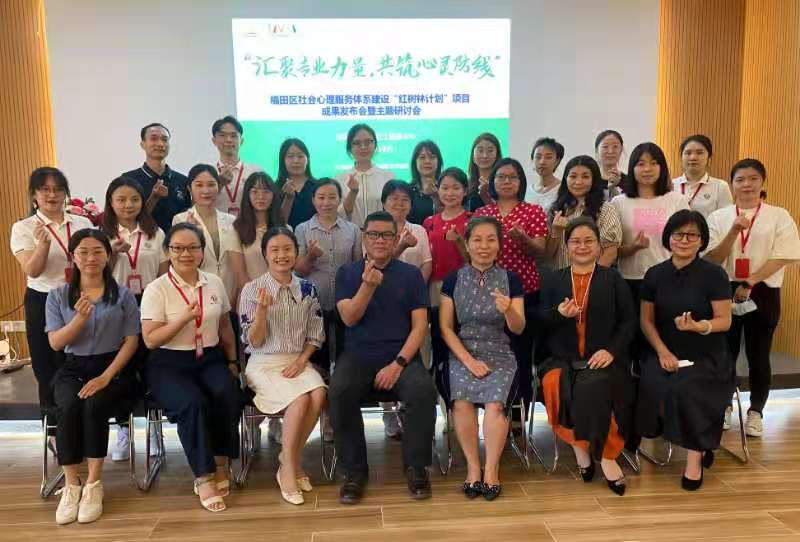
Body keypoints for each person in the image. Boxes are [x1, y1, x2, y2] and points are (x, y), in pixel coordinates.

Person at [329, 211, 436, 504]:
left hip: (401, 355)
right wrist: (368, 285)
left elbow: (420, 327)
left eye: (387, 235)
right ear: (364, 237)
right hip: (357, 355)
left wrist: (398, 364)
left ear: (395, 239)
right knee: (339, 391)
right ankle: (354, 472)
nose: (380, 240)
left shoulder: (410, 275)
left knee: (423, 391)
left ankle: (416, 468)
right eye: (373, 234)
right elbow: (349, 318)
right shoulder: (347, 273)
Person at [141, 223, 242, 513]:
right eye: (178, 248)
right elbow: (150, 340)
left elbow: (225, 325)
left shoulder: (214, 282)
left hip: (209, 357)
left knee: (227, 391)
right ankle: (203, 476)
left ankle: (221, 460)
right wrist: (183, 319)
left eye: (192, 248)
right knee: (192, 403)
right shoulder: (157, 289)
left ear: (202, 251)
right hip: (168, 362)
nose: (185, 254)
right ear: (168, 251)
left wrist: (233, 361)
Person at [45, 229, 140, 524]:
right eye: (83, 252)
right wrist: (80, 319)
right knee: (68, 405)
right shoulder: (58, 295)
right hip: (73, 367)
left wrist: (106, 377)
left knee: (94, 405)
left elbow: (132, 340)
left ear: (108, 256)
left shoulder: (123, 295)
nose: (90, 258)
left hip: (113, 367)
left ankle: (93, 484)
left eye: (98, 251)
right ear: (73, 257)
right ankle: (71, 484)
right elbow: (56, 343)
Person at [539, 217, 635, 496]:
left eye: (588, 241)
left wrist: (611, 351)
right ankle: (581, 450)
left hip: (602, 358)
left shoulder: (613, 278)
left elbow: (629, 322)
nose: (582, 246)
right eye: (575, 241)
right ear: (566, 246)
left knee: (591, 386)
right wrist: (558, 314)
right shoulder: (554, 279)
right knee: (554, 383)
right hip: (562, 358)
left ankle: (606, 457)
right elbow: (539, 320)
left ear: (599, 246)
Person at [639, 210, 734, 490]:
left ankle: (695, 458)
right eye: (678, 234)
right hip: (664, 351)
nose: (684, 240)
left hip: (707, 355)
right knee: (652, 383)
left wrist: (699, 326)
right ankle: (685, 442)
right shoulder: (654, 274)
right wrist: (662, 352)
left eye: (692, 235)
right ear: (668, 237)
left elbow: (725, 320)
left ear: (702, 240)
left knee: (689, 387)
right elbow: (646, 321)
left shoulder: (714, 274)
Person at [705, 159, 800, 436]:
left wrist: (751, 281)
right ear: (731, 184)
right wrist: (734, 230)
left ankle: (756, 411)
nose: (747, 184)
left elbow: (784, 254)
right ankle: (723, 405)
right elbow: (712, 258)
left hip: (764, 289)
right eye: (740, 179)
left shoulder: (778, 215)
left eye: (753, 178)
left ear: (762, 182)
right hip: (724, 288)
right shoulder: (719, 217)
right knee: (724, 353)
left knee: (759, 354)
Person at [439, 216, 525, 500]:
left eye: (491, 240)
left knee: (495, 404)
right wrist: (468, 361)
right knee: (461, 402)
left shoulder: (511, 279)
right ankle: (473, 469)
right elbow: (446, 328)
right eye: (477, 239)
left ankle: (491, 470)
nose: (484, 246)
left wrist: (508, 309)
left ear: (499, 245)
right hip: (463, 351)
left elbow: (518, 327)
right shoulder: (453, 279)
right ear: (467, 244)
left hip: (500, 351)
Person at [239, 228, 327, 505]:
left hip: (297, 360)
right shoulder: (252, 289)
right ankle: (289, 467)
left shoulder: (308, 288)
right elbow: (252, 340)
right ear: (265, 254)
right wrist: (262, 311)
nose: (281, 255)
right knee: (299, 399)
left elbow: (316, 334)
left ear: (296, 253)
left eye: (287, 249)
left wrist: (301, 361)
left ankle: (289, 457)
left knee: (318, 394)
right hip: (263, 363)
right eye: (274, 250)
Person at [11, 167, 94, 455]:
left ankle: (82, 428)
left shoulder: (82, 222)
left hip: (79, 298)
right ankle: (56, 434)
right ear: (34, 195)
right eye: (44, 189)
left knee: (81, 363)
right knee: (47, 368)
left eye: (58, 189)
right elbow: (32, 269)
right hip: (43, 300)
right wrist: (43, 246)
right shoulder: (24, 227)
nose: (52, 194)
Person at [474, 158, 548, 420]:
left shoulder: (533, 211)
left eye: (512, 177)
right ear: (493, 182)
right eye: (501, 177)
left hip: (524, 294)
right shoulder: (482, 213)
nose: (506, 182)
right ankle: (493, 414)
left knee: (520, 355)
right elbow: (472, 253)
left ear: (521, 182)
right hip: (487, 295)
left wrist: (522, 238)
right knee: (490, 354)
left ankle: (518, 417)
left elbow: (540, 252)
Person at [100, 176, 168, 461]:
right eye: (121, 199)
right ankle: (123, 429)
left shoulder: (155, 233)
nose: (128, 205)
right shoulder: (101, 234)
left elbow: (164, 273)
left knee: (152, 365)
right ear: (111, 202)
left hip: (151, 303)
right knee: (122, 369)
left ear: (142, 202)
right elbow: (94, 274)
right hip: (116, 305)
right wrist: (113, 255)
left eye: (134, 199)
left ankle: (154, 428)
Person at [294, 178, 361, 396]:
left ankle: (342, 404)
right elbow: (299, 271)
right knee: (318, 359)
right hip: (314, 304)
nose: (326, 202)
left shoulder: (352, 230)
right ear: (313, 200)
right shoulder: (302, 229)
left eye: (332, 197)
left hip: (346, 303)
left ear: (340, 199)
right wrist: (311, 256)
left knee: (345, 357)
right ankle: (322, 407)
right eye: (321, 197)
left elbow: (357, 267)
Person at [173, 164, 247, 306]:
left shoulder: (231, 220)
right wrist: (192, 234)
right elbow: (181, 264)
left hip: (229, 295)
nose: (206, 190)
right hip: (197, 297)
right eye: (199, 185)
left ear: (218, 187)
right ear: (189, 188)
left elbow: (237, 264)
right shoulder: (180, 220)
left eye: (211, 184)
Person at [423, 167, 471, 375]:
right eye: (445, 188)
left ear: (465, 191)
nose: (450, 193)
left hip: (464, 286)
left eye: (455, 188)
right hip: (435, 286)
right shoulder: (429, 222)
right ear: (438, 190)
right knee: (437, 332)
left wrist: (459, 242)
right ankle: (440, 379)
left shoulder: (472, 220)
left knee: (460, 332)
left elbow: (475, 260)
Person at [545, 156, 623, 269]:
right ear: (565, 179)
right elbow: (547, 256)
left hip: (593, 277)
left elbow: (610, 252)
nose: (578, 182)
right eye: (573, 176)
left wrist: (592, 277)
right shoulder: (554, 209)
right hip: (560, 276)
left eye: (585, 177)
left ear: (594, 180)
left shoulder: (605, 209)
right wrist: (556, 232)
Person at [121, 122, 190, 234]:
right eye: (154, 139)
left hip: (177, 242)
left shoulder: (182, 180)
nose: (160, 144)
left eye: (164, 139)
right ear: (143, 144)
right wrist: (154, 197)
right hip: (141, 241)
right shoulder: (129, 180)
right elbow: (127, 219)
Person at [337, 123, 395, 227]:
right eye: (357, 143)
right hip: (349, 234)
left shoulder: (388, 177)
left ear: (375, 145)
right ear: (349, 148)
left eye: (368, 142)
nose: (363, 147)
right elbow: (338, 214)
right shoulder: (340, 179)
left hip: (381, 234)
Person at [233, 172, 285, 282]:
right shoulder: (236, 230)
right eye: (254, 191)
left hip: (281, 289)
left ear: (273, 195)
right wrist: (257, 293)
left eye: (266, 191)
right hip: (250, 290)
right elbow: (240, 276)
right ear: (247, 195)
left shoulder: (284, 229)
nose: (261, 196)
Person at [211, 115, 263, 216]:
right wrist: (219, 184)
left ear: (241, 141)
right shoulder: (208, 173)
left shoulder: (255, 172)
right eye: (222, 135)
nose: (228, 140)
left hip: (248, 224)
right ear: (214, 141)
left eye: (233, 136)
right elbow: (199, 203)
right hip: (216, 225)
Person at [671, 134, 733, 217]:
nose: (693, 157)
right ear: (681, 158)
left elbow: (726, 218)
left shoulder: (720, 187)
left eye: (700, 153)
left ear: (709, 158)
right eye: (688, 153)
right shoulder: (670, 185)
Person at [383, 180, 433, 283]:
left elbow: (427, 263)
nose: (400, 203)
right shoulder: (374, 231)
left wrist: (417, 288)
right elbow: (376, 263)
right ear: (384, 203)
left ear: (411, 205)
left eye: (405, 199)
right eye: (394, 198)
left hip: (414, 287)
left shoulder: (419, 230)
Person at [276, 138, 316, 229]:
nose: (296, 161)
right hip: (285, 236)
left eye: (300, 156)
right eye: (290, 156)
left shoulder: (318, 187)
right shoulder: (274, 188)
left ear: (307, 159)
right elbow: (276, 223)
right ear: (283, 160)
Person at [408, 140, 443, 225]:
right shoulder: (407, 191)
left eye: (432, 157)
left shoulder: (446, 189)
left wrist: (436, 198)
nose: (427, 161)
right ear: (415, 162)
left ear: (438, 161)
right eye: (422, 157)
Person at [465, 133, 502, 212]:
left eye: (490, 151)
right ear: (473, 156)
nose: (485, 155)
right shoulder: (465, 185)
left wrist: (487, 196)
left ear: (497, 155)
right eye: (480, 150)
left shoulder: (504, 184)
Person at [528, 137, 565, 211]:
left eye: (548, 157)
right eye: (538, 157)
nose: (542, 162)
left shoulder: (563, 189)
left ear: (557, 161)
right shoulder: (527, 191)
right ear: (532, 160)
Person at [595, 130, 627, 201]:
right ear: (597, 150)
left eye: (615, 146)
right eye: (605, 147)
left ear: (621, 150)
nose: (610, 151)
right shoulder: (590, 180)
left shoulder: (629, 182)